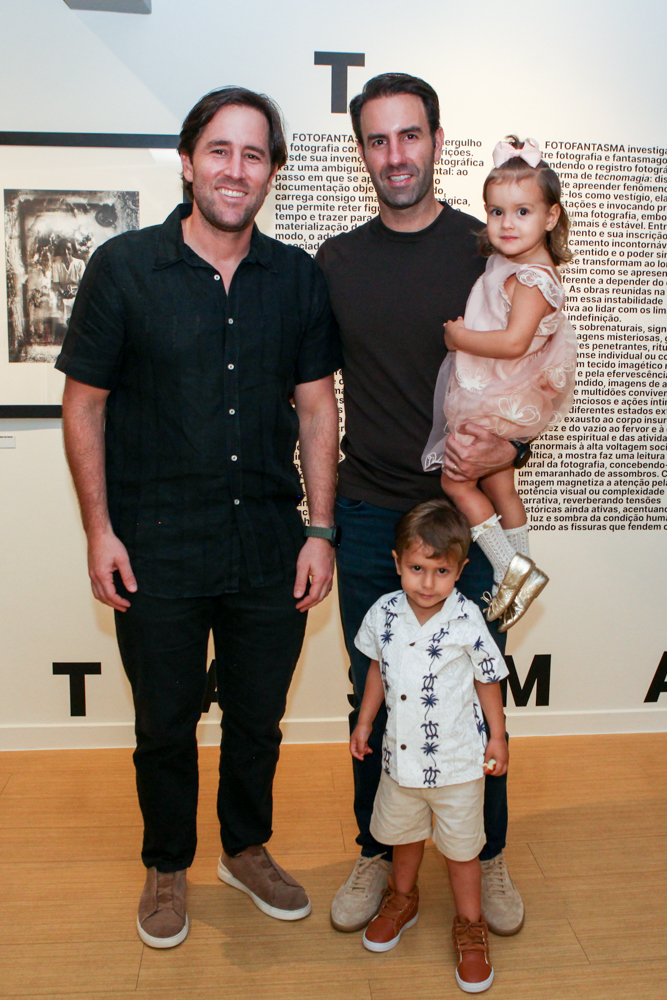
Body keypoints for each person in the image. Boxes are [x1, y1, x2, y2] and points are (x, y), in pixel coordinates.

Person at [56, 86, 342, 949]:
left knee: (257, 720)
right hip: (156, 546)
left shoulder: (296, 278)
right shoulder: (124, 267)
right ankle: (167, 863)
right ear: (187, 161)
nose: (235, 169)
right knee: (164, 725)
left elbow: (316, 409)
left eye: (253, 155)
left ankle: (244, 849)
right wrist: (99, 531)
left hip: (269, 543)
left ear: (271, 172)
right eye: (220, 150)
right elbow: (83, 404)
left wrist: (320, 531)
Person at [316, 73, 526, 937]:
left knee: (478, 683)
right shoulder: (335, 262)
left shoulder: (486, 249)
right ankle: (377, 850)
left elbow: (526, 373)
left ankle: (489, 852)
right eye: (377, 139)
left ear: (437, 141)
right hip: (369, 514)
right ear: (361, 152)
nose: (394, 155)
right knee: (376, 684)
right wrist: (319, 523)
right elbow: (314, 398)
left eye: (410, 136)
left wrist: (510, 453)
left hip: (460, 513)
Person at [351, 500, 508, 992]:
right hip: (401, 761)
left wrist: (498, 736)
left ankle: (471, 925)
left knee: (462, 851)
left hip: (457, 765)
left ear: (460, 571)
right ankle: (403, 899)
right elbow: (376, 670)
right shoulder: (384, 612)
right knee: (404, 836)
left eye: (441, 571)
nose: (427, 582)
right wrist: (364, 721)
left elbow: (487, 679)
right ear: (397, 562)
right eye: (417, 568)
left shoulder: (467, 618)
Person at [423, 137, 576, 631]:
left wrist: (459, 336)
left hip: (499, 394)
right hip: (501, 392)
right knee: (499, 483)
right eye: (496, 212)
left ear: (551, 217)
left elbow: (513, 343)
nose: (507, 224)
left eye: (522, 212)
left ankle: (511, 568)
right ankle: (519, 573)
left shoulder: (533, 280)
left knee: (455, 479)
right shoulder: (515, 267)